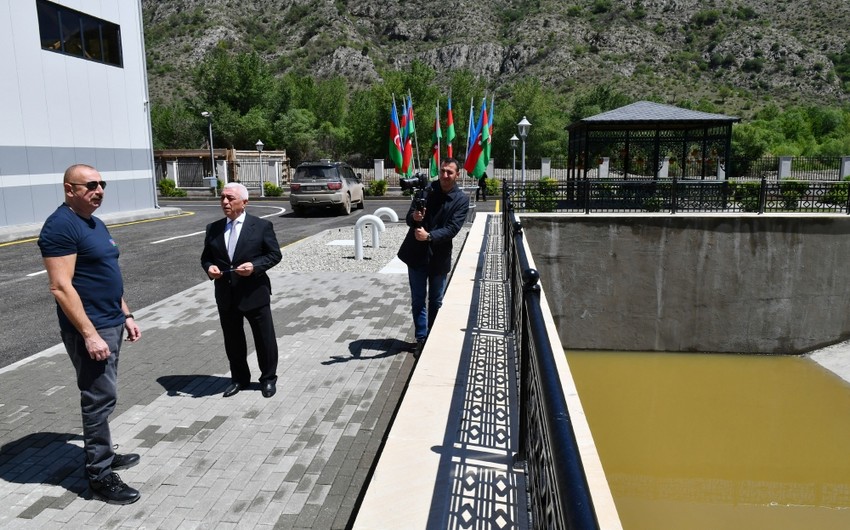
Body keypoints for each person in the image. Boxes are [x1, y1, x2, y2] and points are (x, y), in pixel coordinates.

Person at [38, 164, 143, 505]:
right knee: (98, 398)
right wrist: (90, 334)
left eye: (102, 184)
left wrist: (126, 314)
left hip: (111, 320)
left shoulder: (95, 223)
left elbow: (108, 272)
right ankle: (99, 475)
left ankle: (104, 455)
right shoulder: (60, 227)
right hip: (92, 328)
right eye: (91, 185)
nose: (99, 190)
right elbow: (60, 286)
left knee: (106, 395)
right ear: (70, 189)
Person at [201, 182, 282, 398]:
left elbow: (275, 255)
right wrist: (210, 268)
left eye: (230, 198)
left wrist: (255, 267)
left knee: (264, 340)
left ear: (244, 202)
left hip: (254, 293)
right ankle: (239, 379)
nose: (225, 202)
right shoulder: (214, 228)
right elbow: (206, 257)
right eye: (222, 198)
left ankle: (268, 379)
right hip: (226, 295)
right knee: (233, 341)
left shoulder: (261, 227)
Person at [397, 158, 470, 353]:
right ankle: (421, 337)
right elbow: (408, 218)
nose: (445, 175)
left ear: (457, 175)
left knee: (436, 300)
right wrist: (415, 217)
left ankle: (433, 335)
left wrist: (429, 236)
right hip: (416, 255)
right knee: (418, 299)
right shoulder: (425, 190)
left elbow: (453, 229)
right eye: (443, 171)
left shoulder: (461, 200)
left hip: (439, 256)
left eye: (450, 172)